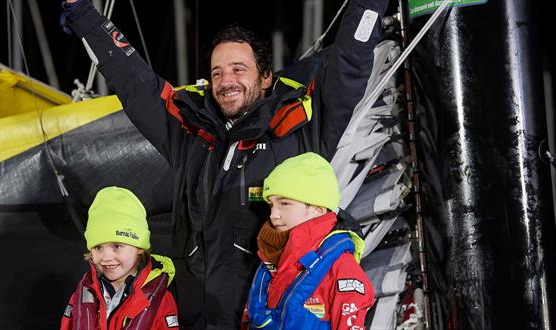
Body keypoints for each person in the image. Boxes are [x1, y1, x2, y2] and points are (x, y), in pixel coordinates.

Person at [61, 0, 388, 327]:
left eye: (238, 69)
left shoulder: (302, 126)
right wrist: (82, 13)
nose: (225, 80)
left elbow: (349, 62)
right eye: (217, 72)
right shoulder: (189, 132)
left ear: (265, 77)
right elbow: (134, 82)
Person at [246, 152, 374, 329]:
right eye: (271, 205)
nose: (273, 215)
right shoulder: (270, 255)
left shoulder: (340, 267)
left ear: (317, 209)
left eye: (284, 203)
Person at [61, 186, 179, 329]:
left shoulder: (161, 300)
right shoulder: (81, 295)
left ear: (139, 248)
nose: (106, 257)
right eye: (98, 247)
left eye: (116, 246)